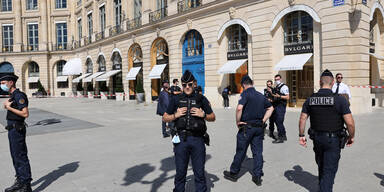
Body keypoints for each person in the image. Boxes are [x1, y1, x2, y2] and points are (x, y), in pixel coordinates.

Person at [299, 69, 355, 192]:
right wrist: (351, 137)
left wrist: (301, 135)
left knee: (322, 166)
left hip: (317, 139)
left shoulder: (311, 99)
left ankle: (322, 186)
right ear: (333, 82)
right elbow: (350, 123)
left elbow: (303, 118)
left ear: (320, 82)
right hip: (333, 140)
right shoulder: (340, 100)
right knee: (329, 171)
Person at [163, 70, 216, 192]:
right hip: (181, 140)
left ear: (194, 84)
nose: (187, 87)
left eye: (190, 84)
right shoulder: (176, 99)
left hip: (198, 139)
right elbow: (165, 117)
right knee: (180, 173)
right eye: (184, 85)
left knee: (199, 173)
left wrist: (202, 114)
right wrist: (175, 115)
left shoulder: (201, 98)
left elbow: (213, 117)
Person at [223, 75, 274, 186]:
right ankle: (257, 175)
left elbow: (239, 108)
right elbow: (271, 108)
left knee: (241, 151)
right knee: (258, 152)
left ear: (244, 85)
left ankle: (234, 173)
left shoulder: (245, 94)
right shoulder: (261, 95)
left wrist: (237, 122)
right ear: (252, 83)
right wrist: (263, 120)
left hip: (247, 127)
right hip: (259, 128)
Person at [2, 73, 33, 192]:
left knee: (20, 156)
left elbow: (25, 113)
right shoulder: (12, 95)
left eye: (4, 83)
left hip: (17, 129)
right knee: (15, 157)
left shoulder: (19, 95)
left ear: (11, 82)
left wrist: (9, 108)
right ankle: (20, 180)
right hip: (12, 130)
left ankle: (26, 184)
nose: (2, 85)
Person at [270, 74, 290, 143]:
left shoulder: (284, 87)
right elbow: (275, 95)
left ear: (281, 79)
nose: (277, 81)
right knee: (277, 121)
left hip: (281, 106)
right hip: (276, 105)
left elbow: (287, 97)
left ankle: (280, 137)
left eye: (278, 79)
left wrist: (280, 96)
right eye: (275, 80)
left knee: (279, 121)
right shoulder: (276, 86)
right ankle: (284, 135)